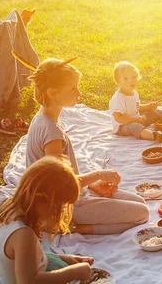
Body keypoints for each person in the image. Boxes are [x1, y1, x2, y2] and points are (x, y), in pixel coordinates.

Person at [26, 58, 149, 234]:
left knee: (141, 202)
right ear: (53, 92)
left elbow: (66, 175)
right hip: (68, 205)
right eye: (73, 89)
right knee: (143, 213)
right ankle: (77, 227)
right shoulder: (51, 132)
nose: (79, 93)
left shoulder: (43, 118)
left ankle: (80, 220)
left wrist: (93, 185)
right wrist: (97, 175)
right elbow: (58, 185)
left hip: (78, 191)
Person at [0, 157, 94, 284]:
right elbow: (28, 281)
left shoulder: (8, 210)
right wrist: (75, 272)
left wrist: (64, 259)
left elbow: (28, 259)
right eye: (60, 207)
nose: (59, 214)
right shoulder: (23, 234)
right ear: (42, 199)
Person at [109, 61, 162, 142]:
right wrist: (137, 120)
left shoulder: (134, 93)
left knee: (153, 112)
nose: (131, 81)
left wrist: (148, 107)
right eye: (125, 78)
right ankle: (153, 136)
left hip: (137, 118)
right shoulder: (118, 99)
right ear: (118, 81)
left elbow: (136, 107)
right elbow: (119, 118)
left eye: (133, 77)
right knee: (134, 126)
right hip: (123, 126)